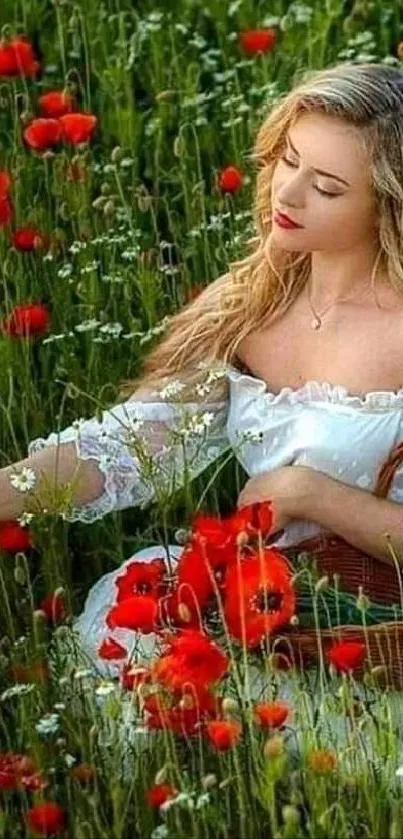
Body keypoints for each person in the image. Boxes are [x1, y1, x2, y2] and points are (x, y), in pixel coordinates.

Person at [3, 61, 403, 738]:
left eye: (327, 186)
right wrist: (7, 493)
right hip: (263, 609)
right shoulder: (250, 303)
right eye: (288, 159)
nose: (289, 192)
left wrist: (314, 495)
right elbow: (129, 444)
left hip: (374, 641)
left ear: (387, 206)